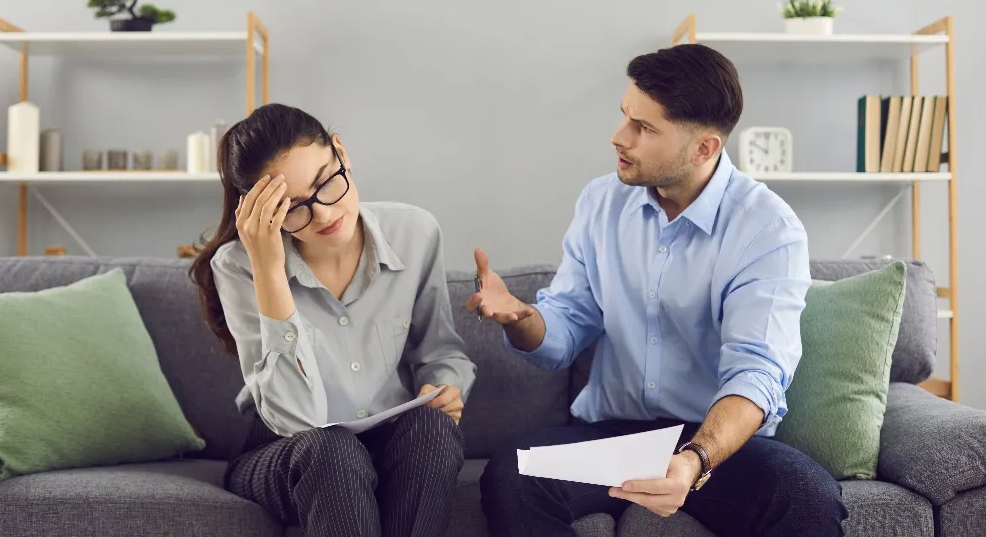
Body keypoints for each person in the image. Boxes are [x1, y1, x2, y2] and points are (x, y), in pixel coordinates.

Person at [472, 44, 847, 536]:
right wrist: (522, 320)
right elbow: (564, 330)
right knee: (511, 474)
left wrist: (695, 459)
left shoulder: (767, 228)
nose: (618, 137)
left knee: (806, 495)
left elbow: (757, 372)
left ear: (704, 148)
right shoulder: (600, 203)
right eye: (626, 117)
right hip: (611, 435)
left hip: (711, 442)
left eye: (644, 128)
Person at [189, 103, 476, 537]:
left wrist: (445, 387)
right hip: (288, 452)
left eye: (326, 183)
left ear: (340, 151)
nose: (323, 213)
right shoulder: (239, 265)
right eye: (293, 207)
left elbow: (439, 350)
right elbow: (293, 419)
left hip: (390, 437)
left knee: (432, 431)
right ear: (262, 213)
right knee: (332, 451)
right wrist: (268, 269)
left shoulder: (415, 233)